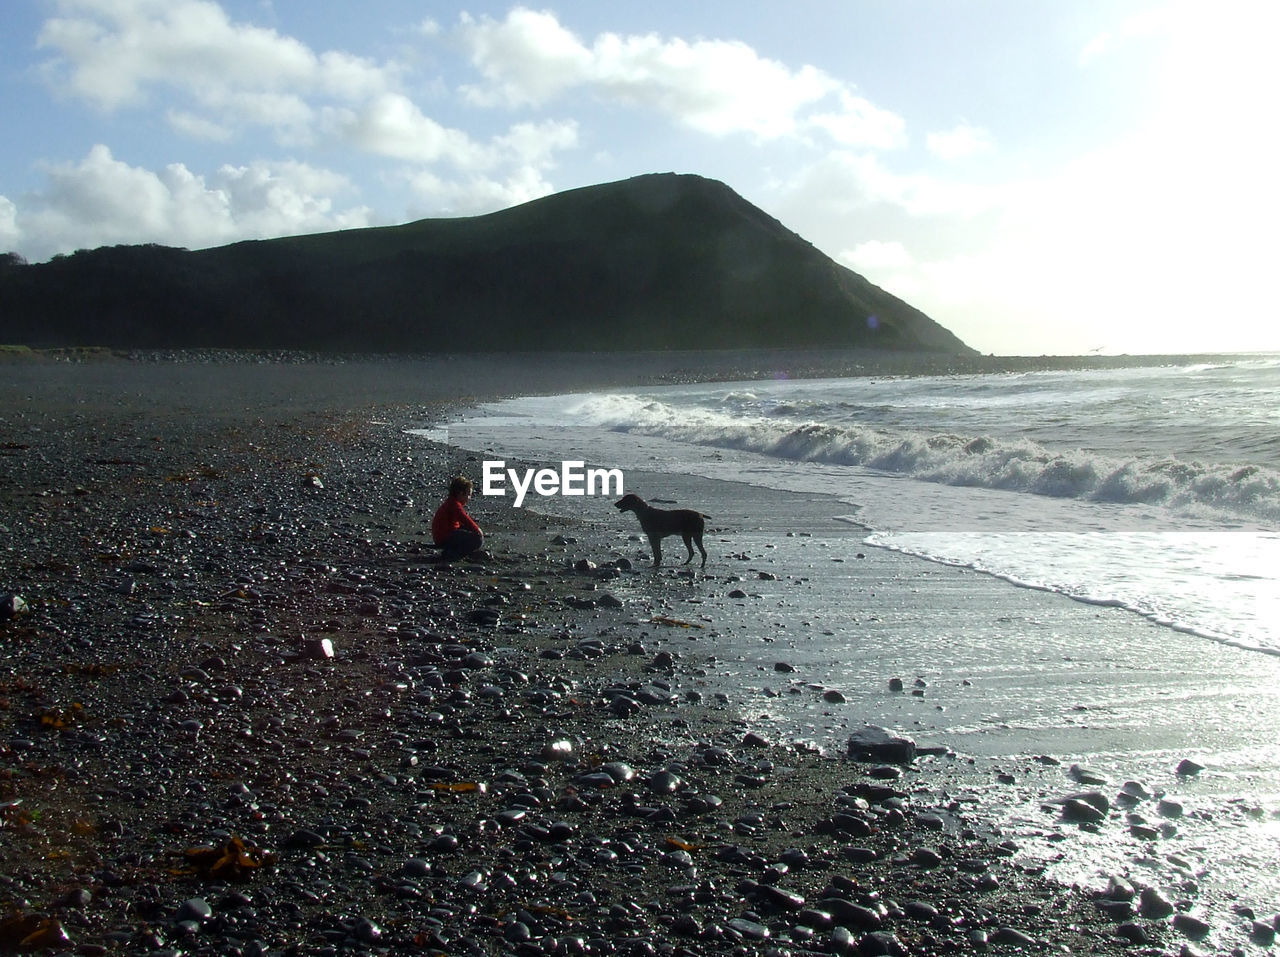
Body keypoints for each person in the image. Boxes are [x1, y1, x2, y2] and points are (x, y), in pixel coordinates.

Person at [432, 475, 483, 561]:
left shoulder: (451, 502)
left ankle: (454, 551)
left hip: (444, 535)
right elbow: (464, 518)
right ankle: (453, 554)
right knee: (478, 539)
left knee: (469, 530)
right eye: (468, 495)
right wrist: (478, 530)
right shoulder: (454, 504)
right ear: (460, 493)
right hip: (444, 537)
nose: (469, 498)